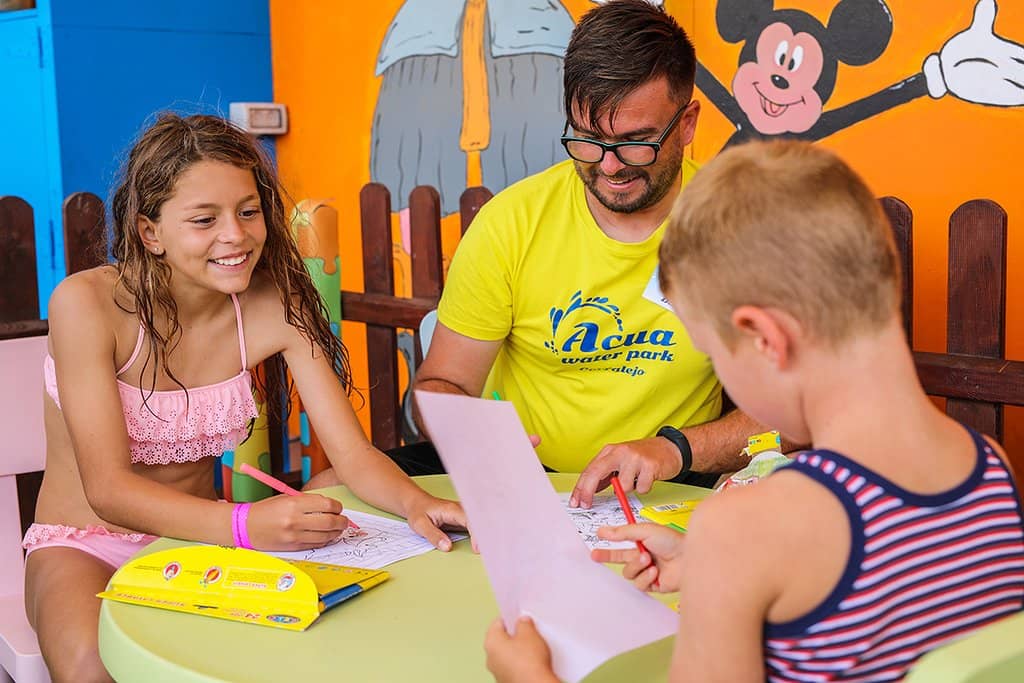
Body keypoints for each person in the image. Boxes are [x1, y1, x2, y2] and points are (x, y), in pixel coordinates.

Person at [483, 140, 1024, 682]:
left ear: (764, 339)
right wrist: (712, 570)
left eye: (715, 354)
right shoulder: (990, 467)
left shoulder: (745, 530)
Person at [22, 113, 467, 683]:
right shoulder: (86, 305)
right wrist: (244, 527)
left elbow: (352, 456)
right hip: (85, 547)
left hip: (199, 548)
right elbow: (107, 490)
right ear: (149, 231)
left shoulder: (272, 302)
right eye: (204, 219)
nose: (235, 235)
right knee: (94, 668)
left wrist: (413, 503)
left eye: (249, 211)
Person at [403, 0, 775, 502]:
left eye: (636, 141)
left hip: (674, 482)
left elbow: (789, 412)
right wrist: (477, 441)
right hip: (525, 483)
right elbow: (440, 385)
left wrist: (675, 451)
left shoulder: (741, 226)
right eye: (587, 139)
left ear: (687, 124)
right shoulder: (512, 223)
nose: (609, 166)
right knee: (329, 489)